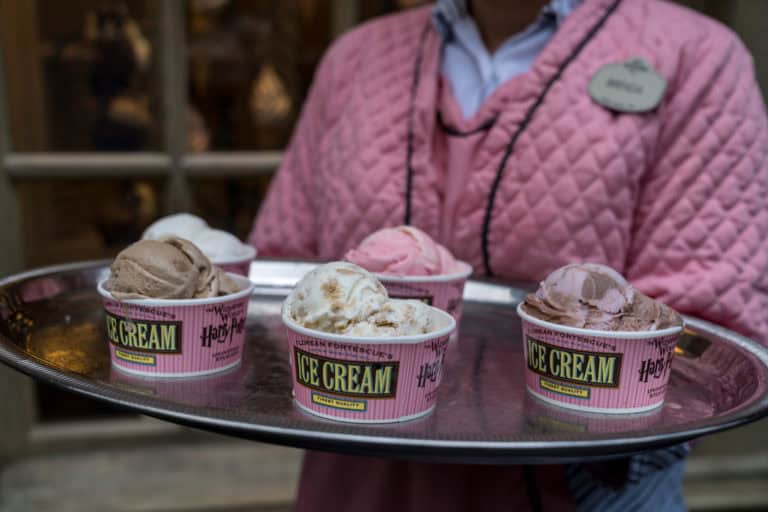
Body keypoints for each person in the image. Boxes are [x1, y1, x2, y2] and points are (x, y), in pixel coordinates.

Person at [249, 0, 768, 510]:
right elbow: (283, 281)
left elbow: (707, 330)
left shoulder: (694, 56)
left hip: (572, 494)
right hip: (354, 486)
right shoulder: (355, 58)